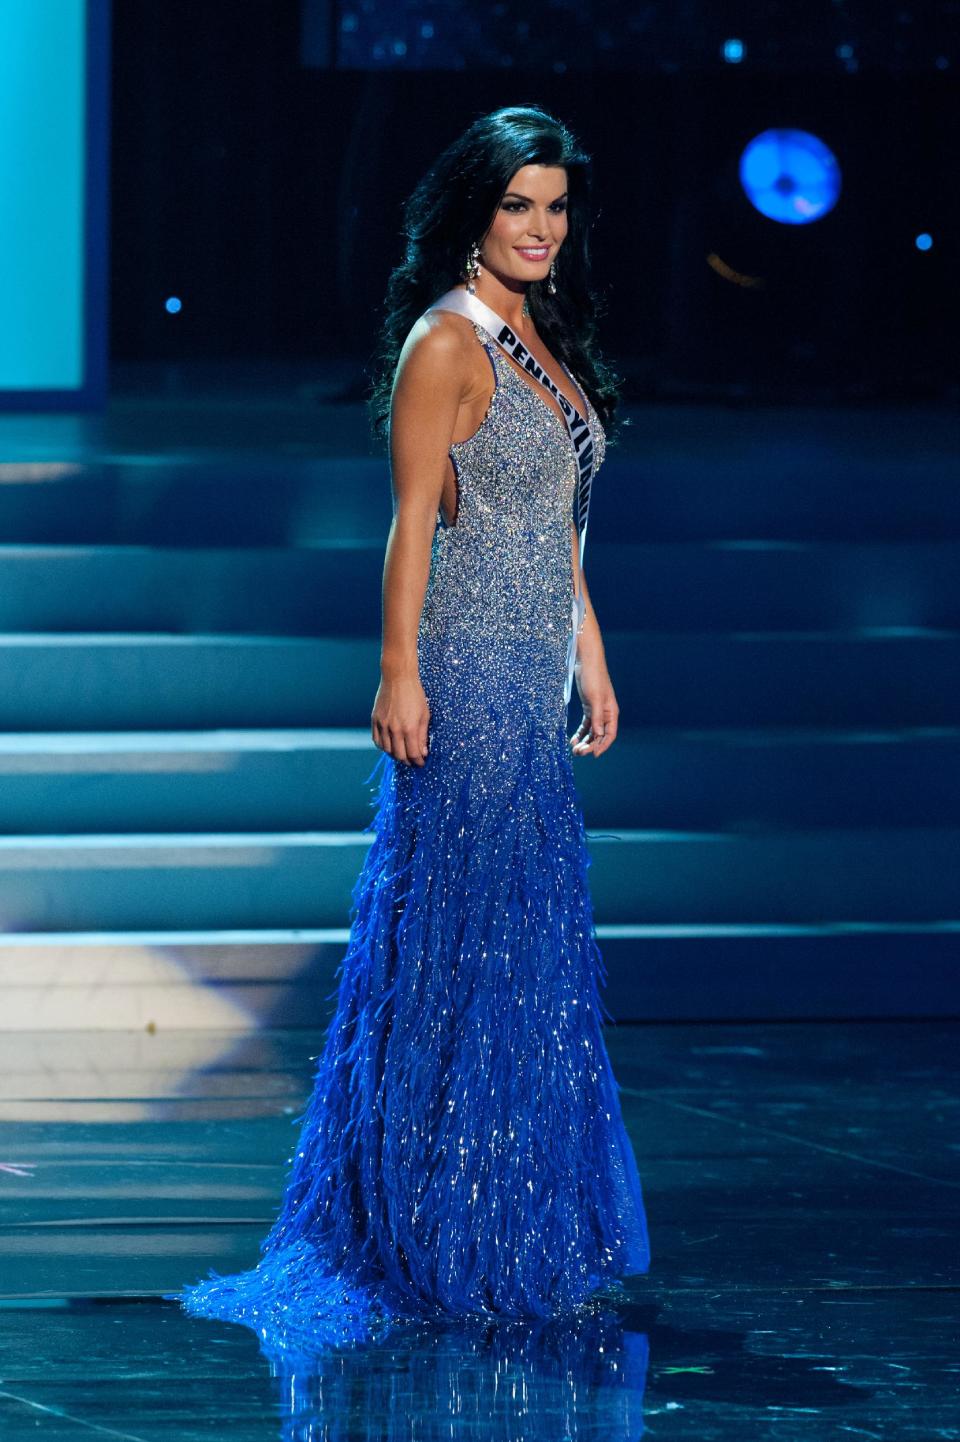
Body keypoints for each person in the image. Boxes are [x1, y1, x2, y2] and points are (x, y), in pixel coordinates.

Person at [173, 103, 650, 1359]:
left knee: (521, 942)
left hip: (528, 671)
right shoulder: (447, 340)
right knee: (458, 940)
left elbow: (556, 525)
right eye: (518, 207)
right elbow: (411, 522)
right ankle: (426, 1229)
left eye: (555, 208)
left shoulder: (538, 335)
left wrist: (589, 645)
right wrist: (396, 669)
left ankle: (506, 1225)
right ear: (472, 214)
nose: (541, 229)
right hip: (465, 675)